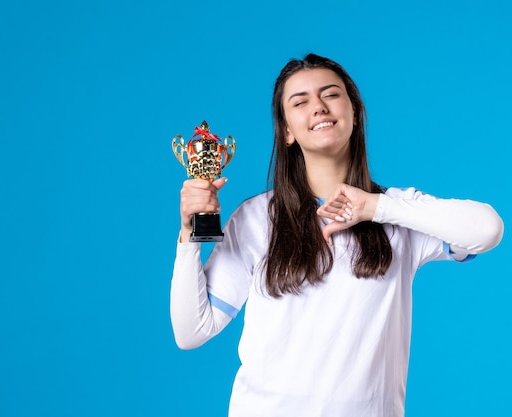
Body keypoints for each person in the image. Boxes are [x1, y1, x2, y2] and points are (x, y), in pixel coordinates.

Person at [169, 53, 504, 417]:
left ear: (355, 113)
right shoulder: (256, 217)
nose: (318, 107)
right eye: (300, 101)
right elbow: (192, 331)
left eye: (331, 94)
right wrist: (189, 235)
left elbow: (487, 229)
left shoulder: (398, 212)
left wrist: (375, 208)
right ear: (286, 132)